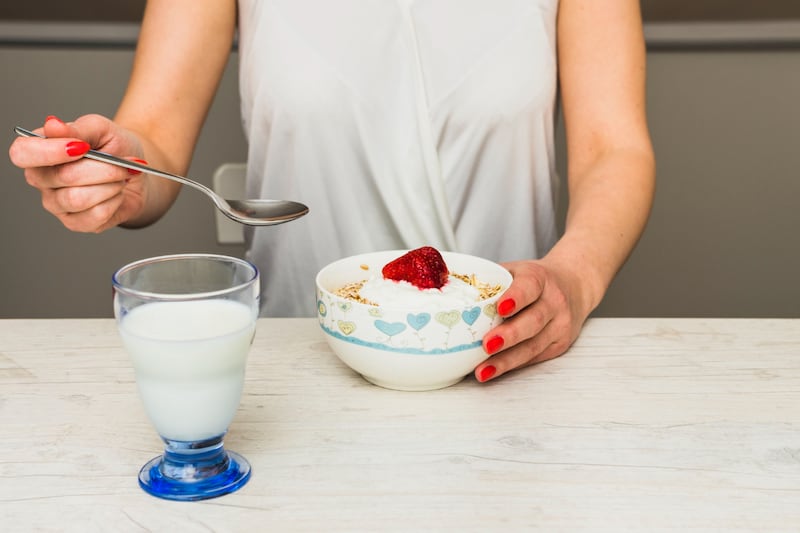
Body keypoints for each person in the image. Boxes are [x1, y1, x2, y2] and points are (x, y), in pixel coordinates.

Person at [8, 0, 655, 383]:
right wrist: (117, 174)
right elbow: (152, 141)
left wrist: (576, 276)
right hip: (296, 378)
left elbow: (613, 148)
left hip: (511, 359)